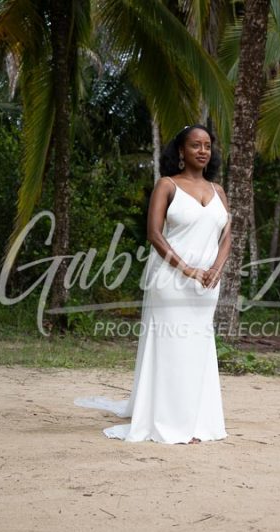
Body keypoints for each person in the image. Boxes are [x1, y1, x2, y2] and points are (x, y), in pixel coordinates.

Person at [74, 124, 232, 445]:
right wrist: (187, 269)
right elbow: (154, 234)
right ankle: (171, 424)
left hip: (206, 284)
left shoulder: (219, 191)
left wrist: (216, 268)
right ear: (180, 152)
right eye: (195, 146)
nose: (203, 151)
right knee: (173, 349)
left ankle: (198, 422)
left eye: (207, 146)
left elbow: (227, 235)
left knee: (198, 349)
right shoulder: (167, 185)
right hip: (172, 279)